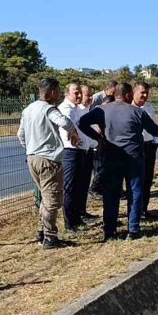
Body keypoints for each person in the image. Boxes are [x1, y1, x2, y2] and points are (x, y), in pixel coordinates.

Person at [78, 82, 158, 241]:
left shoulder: (102, 110)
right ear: (128, 95)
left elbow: (81, 123)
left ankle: (110, 231)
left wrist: (99, 138)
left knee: (111, 194)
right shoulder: (137, 112)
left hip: (111, 157)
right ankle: (133, 230)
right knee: (135, 192)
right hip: (134, 158)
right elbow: (154, 131)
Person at [17, 78, 80, 249]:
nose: (59, 95)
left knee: (46, 198)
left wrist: (32, 148)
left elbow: (20, 135)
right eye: (58, 91)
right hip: (48, 160)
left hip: (32, 158)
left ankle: (42, 230)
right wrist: (73, 133)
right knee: (52, 200)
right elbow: (64, 122)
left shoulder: (28, 110)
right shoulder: (49, 109)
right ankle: (50, 238)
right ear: (51, 92)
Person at [58, 84, 96, 231]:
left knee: (79, 186)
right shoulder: (66, 109)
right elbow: (68, 124)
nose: (79, 96)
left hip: (81, 151)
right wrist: (73, 133)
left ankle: (76, 217)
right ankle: (70, 223)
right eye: (76, 93)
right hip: (70, 152)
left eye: (80, 93)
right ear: (67, 94)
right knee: (70, 187)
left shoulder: (76, 108)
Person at [131, 81, 158, 218]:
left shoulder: (149, 107)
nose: (144, 95)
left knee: (147, 179)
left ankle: (144, 209)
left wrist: (155, 143)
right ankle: (134, 212)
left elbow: (155, 126)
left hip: (149, 146)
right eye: (142, 92)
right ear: (134, 92)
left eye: (146, 93)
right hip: (135, 148)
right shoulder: (128, 108)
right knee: (136, 181)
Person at [88, 81, 117, 196]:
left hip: (107, 133)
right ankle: (95, 187)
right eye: (113, 92)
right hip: (97, 132)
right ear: (108, 89)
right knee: (99, 165)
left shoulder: (114, 99)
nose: (115, 94)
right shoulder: (96, 98)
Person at [78, 85, 97, 220]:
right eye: (87, 95)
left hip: (89, 150)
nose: (90, 98)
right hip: (78, 152)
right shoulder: (76, 111)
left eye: (91, 95)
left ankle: (82, 211)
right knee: (77, 185)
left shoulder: (88, 110)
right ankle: (77, 214)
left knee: (85, 184)